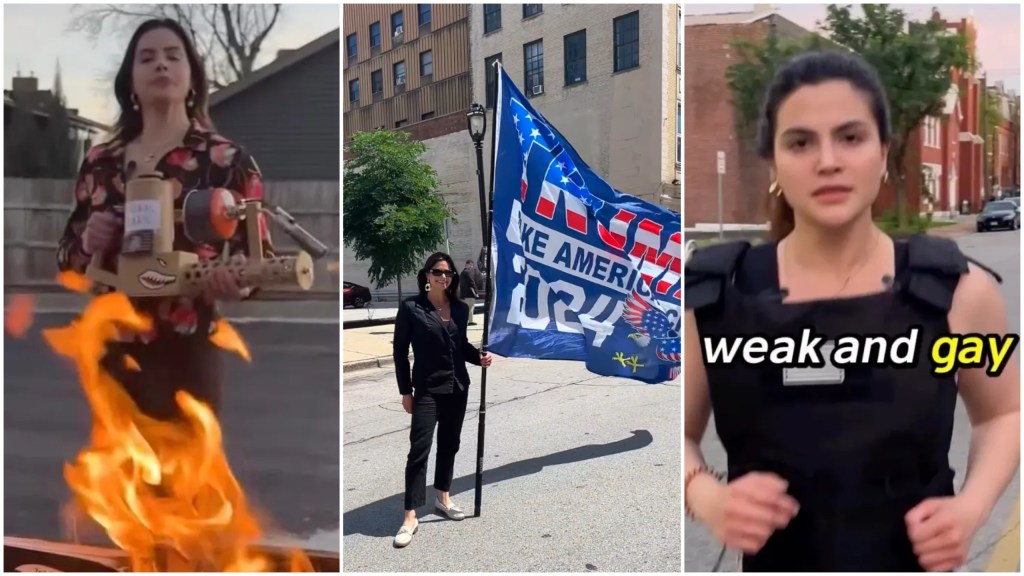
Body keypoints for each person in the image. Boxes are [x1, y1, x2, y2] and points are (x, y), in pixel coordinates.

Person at [684, 50, 1019, 572]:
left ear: (883, 153)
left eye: (850, 137)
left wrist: (971, 509)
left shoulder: (959, 294)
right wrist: (706, 496)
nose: (828, 161)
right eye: (800, 142)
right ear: (773, 162)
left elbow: (1003, 414)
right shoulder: (714, 298)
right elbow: (678, 434)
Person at [56, 18, 273, 420]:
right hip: (114, 348)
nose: (161, 65)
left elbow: (257, 260)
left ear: (192, 77)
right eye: (147, 57)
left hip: (189, 354)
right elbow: (68, 257)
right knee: (116, 479)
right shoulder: (101, 162)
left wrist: (234, 283)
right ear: (130, 81)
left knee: (190, 481)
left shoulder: (227, 161)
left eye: (173, 56)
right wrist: (88, 243)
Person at [391, 252, 494, 548]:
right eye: (437, 271)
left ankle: (443, 498)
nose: (443, 276)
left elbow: (460, 346)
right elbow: (400, 353)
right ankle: (410, 515)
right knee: (419, 449)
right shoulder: (411, 308)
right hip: (426, 389)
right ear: (426, 275)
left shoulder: (460, 309)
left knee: (450, 444)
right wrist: (406, 391)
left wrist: (480, 358)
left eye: (448, 273)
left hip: (457, 387)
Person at [459, 259, 479, 325]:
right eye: (471, 265)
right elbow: (472, 282)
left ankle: (464, 320)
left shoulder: (462, 273)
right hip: (470, 293)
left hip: (464, 294)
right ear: (468, 265)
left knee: (466, 308)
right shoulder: (468, 273)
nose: (471, 267)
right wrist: (476, 292)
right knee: (470, 308)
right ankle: (470, 321)